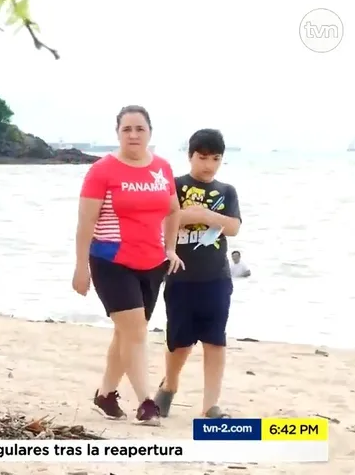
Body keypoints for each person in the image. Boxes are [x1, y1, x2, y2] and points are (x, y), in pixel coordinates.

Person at [72, 105, 183, 426]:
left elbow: (173, 210)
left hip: (152, 263)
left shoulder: (161, 168)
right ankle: (147, 402)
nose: (133, 135)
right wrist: (81, 267)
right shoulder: (102, 170)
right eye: (127, 129)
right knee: (135, 332)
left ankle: (105, 394)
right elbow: (85, 223)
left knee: (126, 334)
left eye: (140, 129)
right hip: (110, 261)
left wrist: (170, 248)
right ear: (118, 133)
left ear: (150, 132)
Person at [154, 128, 242, 419]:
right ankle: (169, 384)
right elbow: (164, 220)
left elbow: (233, 227)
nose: (208, 165)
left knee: (216, 340)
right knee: (179, 343)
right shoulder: (174, 186)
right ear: (190, 156)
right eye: (202, 157)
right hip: (180, 277)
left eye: (215, 158)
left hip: (217, 277)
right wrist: (186, 217)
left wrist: (204, 215)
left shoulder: (227, 191)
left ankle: (210, 406)